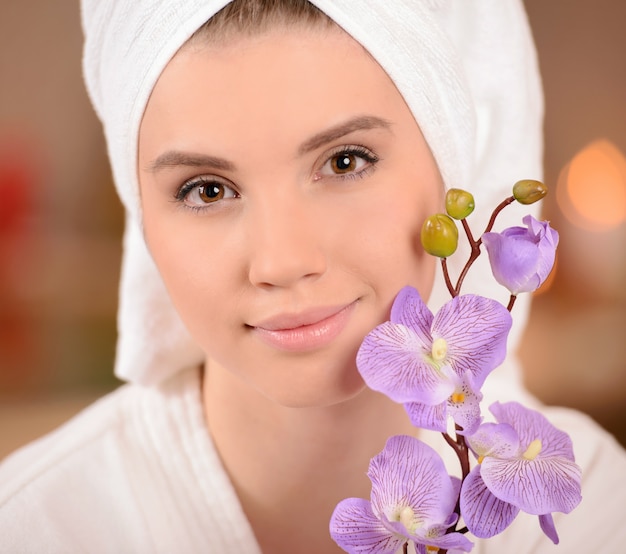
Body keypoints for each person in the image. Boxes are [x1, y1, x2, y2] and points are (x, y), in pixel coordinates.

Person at [1, 1, 625, 552]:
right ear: (141, 214)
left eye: (345, 161)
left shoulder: (596, 510)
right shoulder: (37, 527)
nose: (282, 259)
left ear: (452, 163)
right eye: (207, 189)